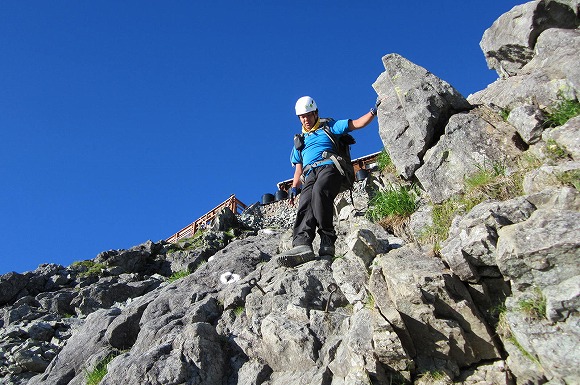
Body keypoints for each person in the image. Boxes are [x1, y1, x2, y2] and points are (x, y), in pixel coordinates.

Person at [277, 95, 380, 268]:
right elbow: (298, 169)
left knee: (319, 191)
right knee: (306, 201)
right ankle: (302, 244)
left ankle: (327, 239)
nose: (305, 119)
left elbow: (357, 123)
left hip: (330, 167)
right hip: (309, 174)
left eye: (308, 115)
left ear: (315, 113)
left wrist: (374, 111)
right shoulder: (299, 142)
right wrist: (294, 188)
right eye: (302, 116)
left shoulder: (329, 126)